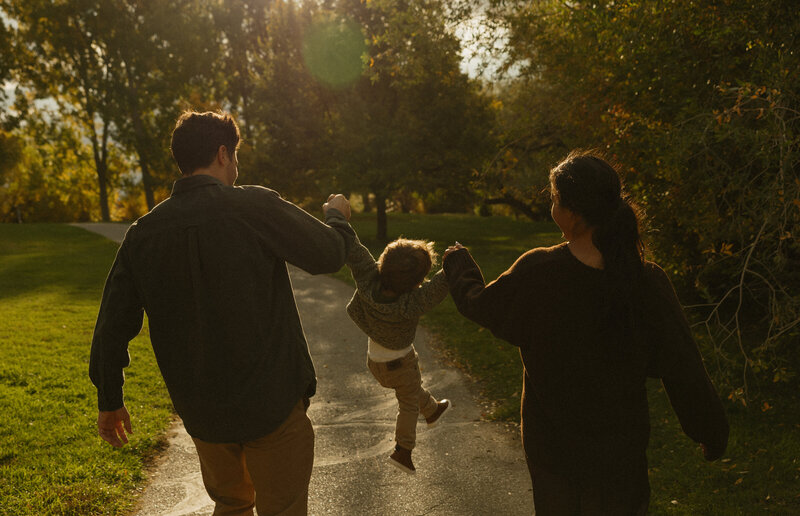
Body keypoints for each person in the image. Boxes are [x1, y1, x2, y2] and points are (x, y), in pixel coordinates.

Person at [89, 110, 355, 516]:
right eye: (235, 156)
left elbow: (112, 324)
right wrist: (336, 217)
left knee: (231, 505)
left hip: (204, 412)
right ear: (222, 154)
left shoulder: (143, 234)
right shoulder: (253, 206)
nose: (235, 167)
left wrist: (110, 399)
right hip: (272, 402)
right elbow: (329, 254)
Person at [442, 150, 729, 514]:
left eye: (554, 199)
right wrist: (709, 431)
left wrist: (459, 264)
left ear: (573, 213)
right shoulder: (646, 281)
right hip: (621, 453)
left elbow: (482, 305)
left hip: (554, 454)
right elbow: (683, 365)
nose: (552, 207)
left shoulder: (540, 271)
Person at [344, 231, 452, 474]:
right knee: (408, 402)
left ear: (382, 263)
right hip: (400, 364)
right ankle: (403, 450)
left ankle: (433, 410)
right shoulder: (411, 302)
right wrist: (452, 264)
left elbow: (355, 251)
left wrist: (339, 220)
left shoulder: (368, 281)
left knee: (410, 389)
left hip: (375, 362)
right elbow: (436, 289)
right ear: (416, 282)